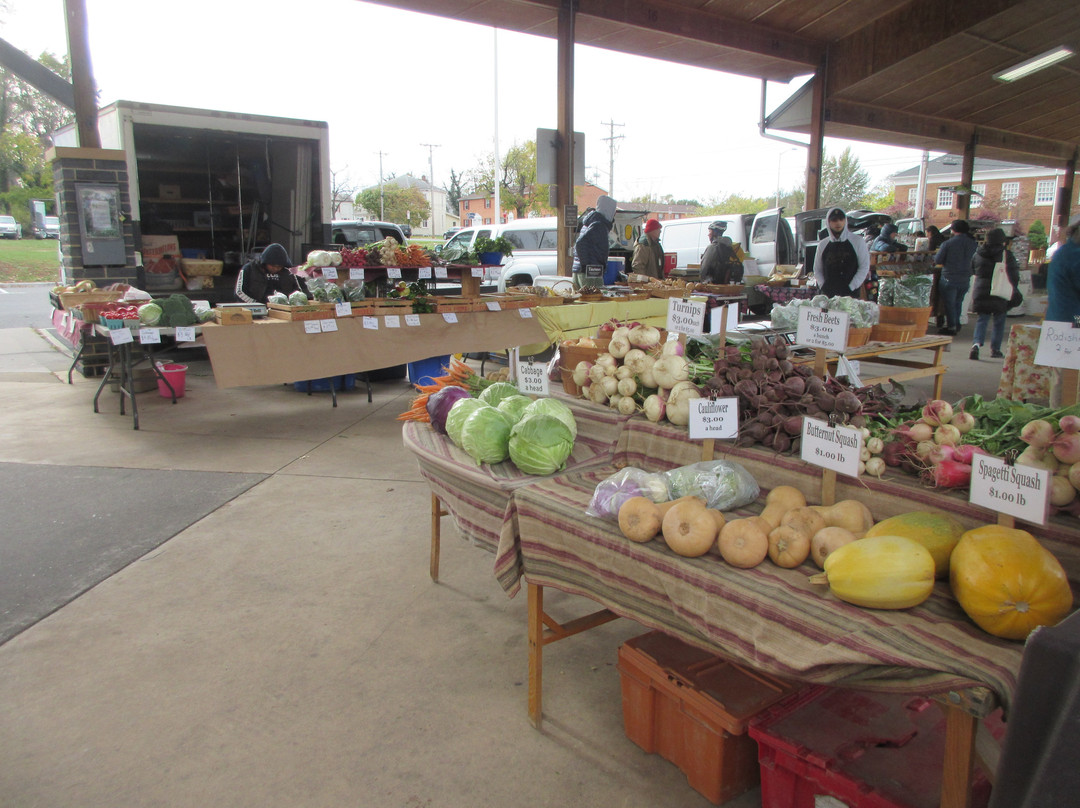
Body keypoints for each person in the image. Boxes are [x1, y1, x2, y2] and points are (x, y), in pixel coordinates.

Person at [968, 228, 1020, 361]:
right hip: (1000, 291)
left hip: (981, 289)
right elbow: (1014, 275)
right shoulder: (1006, 255)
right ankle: (995, 349)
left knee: (982, 319)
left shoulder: (978, 253)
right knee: (999, 321)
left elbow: (973, 269)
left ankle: (976, 344)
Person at [1046, 216, 1080, 405]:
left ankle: (1059, 414)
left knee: (1061, 373)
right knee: (1069, 377)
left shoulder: (1063, 252)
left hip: (1058, 320)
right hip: (1074, 321)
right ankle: (1063, 417)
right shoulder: (1075, 256)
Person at [811, 207, 870, 298]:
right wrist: (823, 285)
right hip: (828, 294)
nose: (838, 223)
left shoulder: (857, 241)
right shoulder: (822, 244)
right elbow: (817, 269)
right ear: (828, 222)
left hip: (850, 294)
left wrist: (851, 286)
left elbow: (864, 267)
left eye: (841, 219)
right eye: (834, 220)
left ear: (845, 221)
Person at [933, 219, 978, 335]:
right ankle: (956, 324)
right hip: (965, 278)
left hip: (950, 277)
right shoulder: (973, 243)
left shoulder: (948, 243)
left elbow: (938, 260)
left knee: (949, 304)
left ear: (953, 230)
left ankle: (951, 326)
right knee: (958, 302)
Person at [235, 243, 307, 303]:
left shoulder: (288, 272)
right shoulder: (249, 268)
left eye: (279, 266)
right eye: (272, 265)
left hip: (283, 311)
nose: (275, 268)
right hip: (255, 309)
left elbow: (297, 292)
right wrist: (256, 304)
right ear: (265, 262)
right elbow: (239, 292)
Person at [572, 195, 617, 288]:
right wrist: (587, 265)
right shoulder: (599, 225)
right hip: (591, 272)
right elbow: (580, 244)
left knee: (580, 300)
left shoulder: (590, 222)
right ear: (609, 210)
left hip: (580, 270)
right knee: (595, 299)